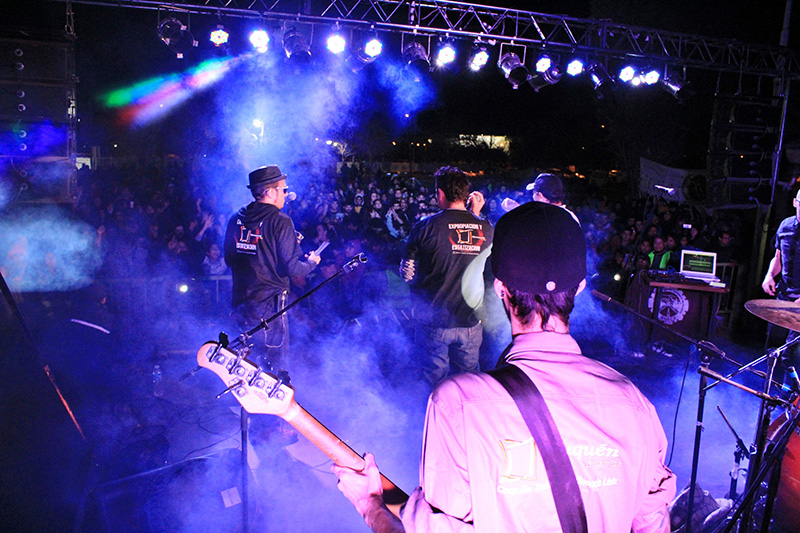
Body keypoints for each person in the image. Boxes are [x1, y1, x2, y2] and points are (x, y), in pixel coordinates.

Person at [334, 202, 675, 532]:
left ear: (500, 289)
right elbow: (652, 523)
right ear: (581, 289)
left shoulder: (459, 404)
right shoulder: (634, 404)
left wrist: (372, 506)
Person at [399, 166, 493, 386]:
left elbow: (407, 275)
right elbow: (479, 253)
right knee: (469, 384)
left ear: (440, 193)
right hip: (470, 320)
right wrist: (474, 215)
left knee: (434, 384)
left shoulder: (424, 227)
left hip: (434, 321)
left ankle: (434, 419)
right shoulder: (486, 228)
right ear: (465, 195)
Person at [224, 165, 320, 367]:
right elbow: (292, 269)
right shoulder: (280, 221)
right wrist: (311, 263)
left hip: (240, 305)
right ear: (270, 192)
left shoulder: (235, 218)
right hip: (270, 308)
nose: (287, 194)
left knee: (241, 363)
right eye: (284, 189)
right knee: (272, 366)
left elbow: (230, 259)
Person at [762, 188, 800, 388]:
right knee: (773, 349)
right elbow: (778, 258)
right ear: (795, 202)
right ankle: (770, 394)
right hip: (783, 297)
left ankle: (788, 401)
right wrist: (769, 275)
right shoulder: (785, 226)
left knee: (790, 355)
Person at [501, 172, 579, 224]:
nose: (533, 197)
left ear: (541, 196)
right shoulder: (571, 217)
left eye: (534, 193)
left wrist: (517, 212)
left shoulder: (548, 221)